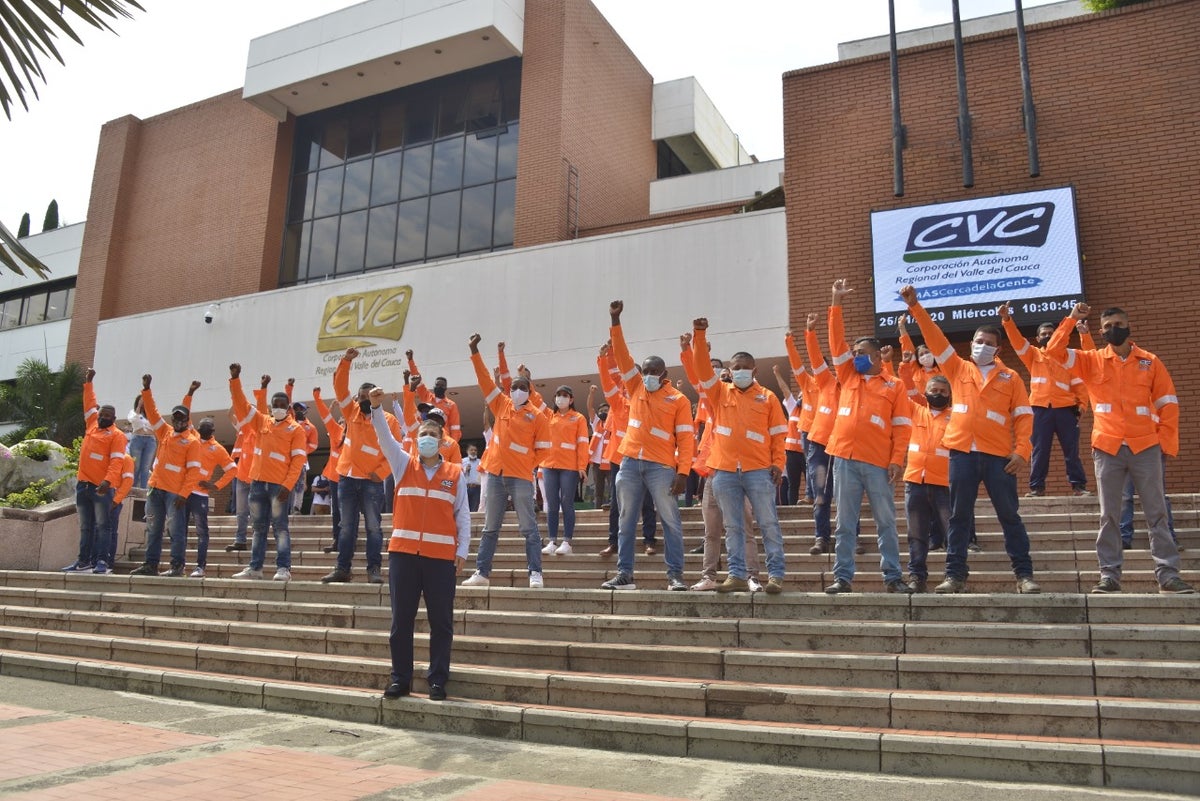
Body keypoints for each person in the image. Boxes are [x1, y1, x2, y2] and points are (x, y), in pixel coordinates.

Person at [901, 285, 1041, 594]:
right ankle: (955, 576)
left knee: (1009, 516)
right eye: (979, 341)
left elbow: (1024, 416)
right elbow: (936, 338)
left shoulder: (1011, 378)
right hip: (961, 454)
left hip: (998, 458)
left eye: (989, 343)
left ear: (998, 349)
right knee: (958, 517)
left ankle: (1024, 575)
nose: (982, 346)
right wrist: (916, 307)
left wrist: (1022, 451)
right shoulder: (957, 367)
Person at [1046, 303, 1193, 595]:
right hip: (1108, 447)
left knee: (1157, 513)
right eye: (1108, 326)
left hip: (1146, 447)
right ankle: (1109, 576)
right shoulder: (1091, 361)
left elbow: (1168, 403)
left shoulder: (1150, 361)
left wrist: (1165, 443)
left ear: (1128, 326)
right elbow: (1052, 352)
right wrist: (1072, 318)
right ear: (1101, 332)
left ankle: (1168, 576)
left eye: (1118, 324)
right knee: (1109, 516)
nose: (1114, 329)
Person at [366, 388, 471, 701]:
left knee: (441, 623)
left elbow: (462, 514)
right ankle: (401, 679)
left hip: (441, 559)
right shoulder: (403, 465)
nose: (427, 438)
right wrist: (375, 408)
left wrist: (462, 551)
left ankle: (437, 680)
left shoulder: (454, 473)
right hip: (404, 557)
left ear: (441, 442)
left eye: (433, 435)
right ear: (415, 439)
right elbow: (385, 437)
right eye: (423, 433)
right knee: (401, 622)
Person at [821, 280, 913, 595]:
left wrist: (896, 460)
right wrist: (836, 302)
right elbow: (836, 342)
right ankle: (842, 578)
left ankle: (893, 577)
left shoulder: (894, 385)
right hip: (844, 459)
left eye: (861, 353)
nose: (854, 356)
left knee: (886, 523)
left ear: (876, 356)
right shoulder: (848, 375)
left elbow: (902, 426)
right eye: (855, 352)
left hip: (877, 463)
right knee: (845, 524)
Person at [599, 300, 695, 592]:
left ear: (664, 375)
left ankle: (675, 575)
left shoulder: (678, 400)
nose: (649, 375)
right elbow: (624, 356)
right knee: (626, 520)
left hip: (661, 467)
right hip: (629, 463)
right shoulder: (635, 386)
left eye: (654, 372)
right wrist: (615, 321)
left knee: (670, 520)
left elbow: (687, 438)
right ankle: (625, 574)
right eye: (647, 371)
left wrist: (683, 472)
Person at [691, 318, 788, 593]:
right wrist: (700, 336)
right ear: (729, 372)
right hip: (723, 472)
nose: (741, 372)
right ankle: (735, 575)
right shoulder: (718, 393)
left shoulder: (768, 398)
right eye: (737, 368)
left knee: (768, 523)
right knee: (733, 527)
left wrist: (778, 463)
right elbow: (700, 368)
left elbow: (779, 434)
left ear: (754, 370)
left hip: (758, 470)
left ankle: (776, 576)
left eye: (746, 368)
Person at [462, 333, 551, 588]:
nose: (517, 391)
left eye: (523, 388)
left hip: (521, 477)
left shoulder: (538, 417)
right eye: (514, 387)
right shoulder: (501, 404)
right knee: (490, 528)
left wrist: (524, 462)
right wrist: (475, 351)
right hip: (495, 474)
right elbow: (483, 380)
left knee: (528, 528)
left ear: (529, 391)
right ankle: (482, 573)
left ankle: (535, 573)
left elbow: (544, 451)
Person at [323, 348, 404, 584]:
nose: (363, 400)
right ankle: (342, 569)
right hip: (347, 479)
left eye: (368, 397)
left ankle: (374, 570)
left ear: (376, 398)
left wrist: (382, 473)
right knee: (346, 527)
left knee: (373, 528)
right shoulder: (351, 412)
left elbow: (396, 451)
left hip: (372, 482)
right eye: (361, 397)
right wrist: (346, 361)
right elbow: (339, 388)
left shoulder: (388, 420)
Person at [999, 305, 1090, 497]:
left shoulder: (1067, 356)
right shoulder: (1032, 354)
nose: (1048, 335)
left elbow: (1079, 384)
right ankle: (1036, 487)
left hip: (1066, 410)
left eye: (1051, 333)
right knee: (1039, 450)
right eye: (1044, 334)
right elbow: (1016, 341)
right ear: (1038, 338)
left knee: (1071, 451)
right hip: (1040, 410)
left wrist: (1081, 406)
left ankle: (1079, 486)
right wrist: (1007, 320)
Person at [228, 365, 307, 581]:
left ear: (288, 407)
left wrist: (288, 485)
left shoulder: (296, 430)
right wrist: (235, 380)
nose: (278, 408)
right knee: (258, 528)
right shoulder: (262, 421)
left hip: (278, 487)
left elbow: (298, 460)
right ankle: (255, 568)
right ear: (271, 407)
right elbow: (243, 406)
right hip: (257, 484)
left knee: (280, 528)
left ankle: (283, 569)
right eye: (275, 405)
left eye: (283, 405)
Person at [130, 375, 201, 577]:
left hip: (175, 493)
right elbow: (152, 412)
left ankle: (177, 566)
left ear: (188, 421)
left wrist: (184, 493)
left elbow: (194, 471)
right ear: (172, 419)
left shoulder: (192, 442)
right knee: (153, 528)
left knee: (176, 531)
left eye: (182, 418)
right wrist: (147, 389)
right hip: (156, 489)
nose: (178, 421)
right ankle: (150, 565)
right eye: (176, 417)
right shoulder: (165, 432)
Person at [595, 342, 659, 557]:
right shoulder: (618, 402)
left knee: (647, 502)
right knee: (616, 504)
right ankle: (613, 542)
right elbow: (607, 383)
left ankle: (650, 540)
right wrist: (603, 359)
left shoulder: (652, 402)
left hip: (645, 457)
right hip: (618, 458)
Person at [62, 368, 128, 574]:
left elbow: (117, 462)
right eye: (101, 415)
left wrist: (107, 482)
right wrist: (88, 382)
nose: (102, 418)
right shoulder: (92, 424)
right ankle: (83, 561)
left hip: (102, 488)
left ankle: (101, 561)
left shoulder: (117, 436)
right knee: (85, 527)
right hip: (83, 485)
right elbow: (89, 403)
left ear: (114, 418)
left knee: (103, 526)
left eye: (107, 416)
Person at [901, 374, 953, 593]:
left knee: (952, 532)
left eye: (942, 391)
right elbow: (900, 390)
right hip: (915, 480)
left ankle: (953, 576)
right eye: (933, 390)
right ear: (925, 392)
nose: (937, 394)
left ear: (950, 395)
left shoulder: (956, 416)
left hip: (945, 483)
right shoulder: (916, 411)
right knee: (916, 533)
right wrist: (893, 364)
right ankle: (917, 577)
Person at [798, 316, 839, 555]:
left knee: (845, 497)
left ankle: (850, 538)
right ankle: (821, 538)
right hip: (820, 446)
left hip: (844, 448)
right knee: (821, 496)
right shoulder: (825, 383)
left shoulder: (855, 386)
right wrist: (810, 332)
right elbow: (814, 360)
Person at [540, 385, 590, 555]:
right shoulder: (548, 416)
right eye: (558, 395)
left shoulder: (578, 418)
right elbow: (533, 399)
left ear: (571, 399)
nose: (561, 398)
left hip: (569, 467)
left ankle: (567, 541)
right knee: (552, 504)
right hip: (549, 465)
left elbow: (583, 443)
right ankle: (552, 541)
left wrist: (582, 466)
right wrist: (526, 378)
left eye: (565, 395)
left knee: (566, 503)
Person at [187, 415, 237, 577]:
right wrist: (190, 393)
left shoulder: (218, 448)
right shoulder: (192, 437)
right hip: (183, 492)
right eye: (201, 427)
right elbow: (186, 415)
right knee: (179, 530)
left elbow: (232, 469)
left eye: (207, 428)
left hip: (200, 495)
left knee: (202, 532)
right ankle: (177, 565)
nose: (203, 430)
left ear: (213, 431)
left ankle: (200, 567)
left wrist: (215, 485)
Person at [311, 387, 344, 552]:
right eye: (340, 422)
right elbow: (326, 416)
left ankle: (349, 540)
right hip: (335, 479)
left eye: (345, 422)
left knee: (350, 512)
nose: (342, 424)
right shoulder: (335, 431)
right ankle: (337, 541)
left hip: (353, 477)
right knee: (336, 512)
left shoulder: (358, 432)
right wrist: (317, 398)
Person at [406, 350, 463, 441]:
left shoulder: (451, 405)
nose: (439, 387)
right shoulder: (426, 396)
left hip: (442, 439)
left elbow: (455, 428)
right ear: (434, 386)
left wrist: (452, 445)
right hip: (425, 436)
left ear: (446, 388)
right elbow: (417, 379)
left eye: (442, 385)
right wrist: (410, 360)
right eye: (438, 385)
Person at [585, 386, 610, 510]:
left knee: (613, 487)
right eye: (602, 411)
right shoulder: (596, 423)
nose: (604, 412)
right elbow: (590, 407)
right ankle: (597, 510)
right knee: (598, 489)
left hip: (611, 461)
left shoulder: (614, 423)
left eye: (607, 410)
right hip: (597, 463)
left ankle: (613, 508)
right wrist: (591, 393)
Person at [126, 394, 156, 491]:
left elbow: (157, 425)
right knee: (136, 466)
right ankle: (133, 488)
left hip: (150, 440)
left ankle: (143, 490)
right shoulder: (133, 412)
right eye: (141, 400)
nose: (143, 403)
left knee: (146, 467)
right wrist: (139, 406)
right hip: (137, 439)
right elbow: (133, 419)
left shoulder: (152, 414)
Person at [462, 443, 482, 512]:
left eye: (475, 450)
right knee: (464, 507)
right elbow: (458, 473)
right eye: (471, 450)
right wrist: (465, 470)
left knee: (474, 508)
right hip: (465, 487)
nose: (473, 451)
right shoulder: (462, 461)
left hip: (477, 488)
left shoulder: (480, 462)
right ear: (467, 451)